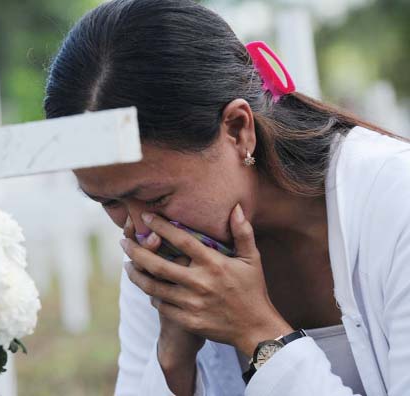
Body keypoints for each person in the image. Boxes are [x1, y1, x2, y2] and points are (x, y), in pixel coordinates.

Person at [44, 1, 410, 395]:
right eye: (109, 203)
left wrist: (259, 334)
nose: (141, 232)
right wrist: (173, 364)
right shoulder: (161, 251)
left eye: (158, 198)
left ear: (237, 130)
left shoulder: (395, 200)